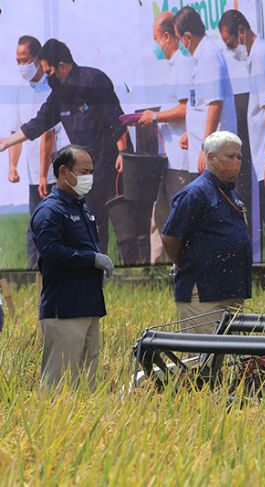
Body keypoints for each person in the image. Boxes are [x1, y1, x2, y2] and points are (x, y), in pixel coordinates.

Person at [0, 38, 127, 255]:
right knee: (92, 226)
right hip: (87, 169)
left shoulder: (93, 80)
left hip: (113, 163)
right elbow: (38, 123)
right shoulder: (59, 94)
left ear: (61, 65)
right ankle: (98, 273)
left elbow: (116, 118)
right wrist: (6, 142)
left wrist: (123, 152)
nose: (48, 77)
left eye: (48, 71)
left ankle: (138, 274)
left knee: (125, 227)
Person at [30, 145, 115, 391]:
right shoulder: (49, 211)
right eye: (84, 171)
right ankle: (53, 428)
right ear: (64, 172)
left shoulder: (81, 206)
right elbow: (52, 252)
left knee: (86, 383)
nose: (90, 177)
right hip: (65, 308)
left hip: (89, 304)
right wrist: (91, 259)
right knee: (59, 385)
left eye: (91, 171)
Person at [219, 9, 265, 263]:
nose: (231, 49)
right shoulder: (257, 56)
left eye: (230, 43)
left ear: (242, 32)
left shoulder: (261, 57)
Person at [162, 131, 251, 331]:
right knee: (205, 359)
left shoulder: (230, 192)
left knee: (230, 359)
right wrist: (188, 264)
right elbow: (170, 237)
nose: (237, 161)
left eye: (239, 157)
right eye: (230, 156)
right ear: (210, 158)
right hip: (202, 292)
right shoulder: (195, 192)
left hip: (231, 288)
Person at [138, 12, 196, 263]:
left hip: (180, 160)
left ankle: (184, 266)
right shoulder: (173, 67)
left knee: (179, 217)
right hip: (166, 158)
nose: (155, 46)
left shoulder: (183, 65)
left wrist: (156, 117)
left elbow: (186, 109)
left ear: (166, 36)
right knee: (161, 215)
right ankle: (161, 268)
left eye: (155, 39)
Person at [8, 35, 69, 268]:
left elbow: (49, 135)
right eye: (18, 60)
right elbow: (16, 133)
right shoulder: (19, 93)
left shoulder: (52, 87)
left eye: (25, 60)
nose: (21, 65)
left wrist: (45, 174)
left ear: (37, 58)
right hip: (35, 176)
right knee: (36, 227)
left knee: (59, 226)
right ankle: (35, 276)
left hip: (56, 174)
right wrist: (12, 166)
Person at [173, 6, 236, 176]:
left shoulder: (209, 56)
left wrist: (205, 147)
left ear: (188, 36)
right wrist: (191, 132)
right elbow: (200, 104)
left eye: (179, 39)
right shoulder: (202, 57)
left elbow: (215, 104)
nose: (180, 45)